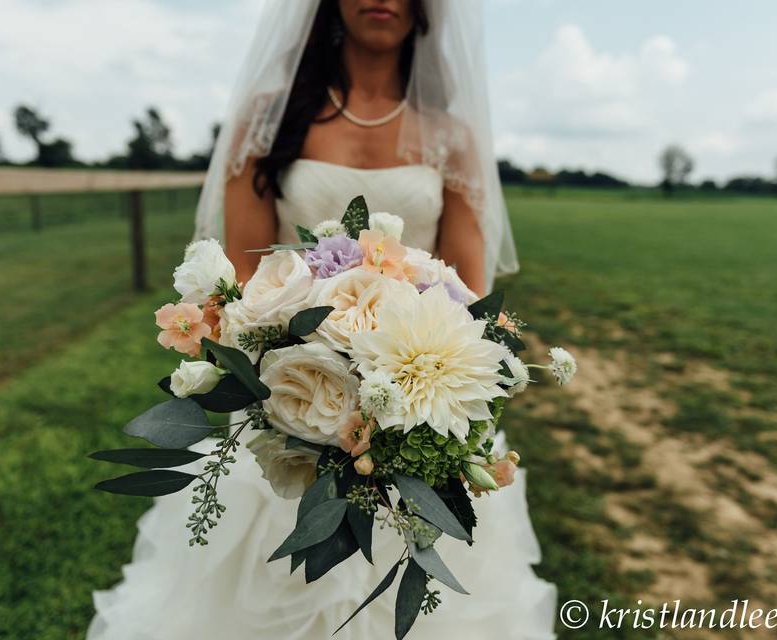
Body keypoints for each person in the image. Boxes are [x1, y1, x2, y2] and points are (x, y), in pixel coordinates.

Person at [89, 2, 554, 638]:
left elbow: (471, 295)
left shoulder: (450, 137)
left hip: (416, 398)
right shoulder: (270, 121)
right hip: (290, 401)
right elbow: (245, 283)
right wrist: (294, 374)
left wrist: (402, 400)